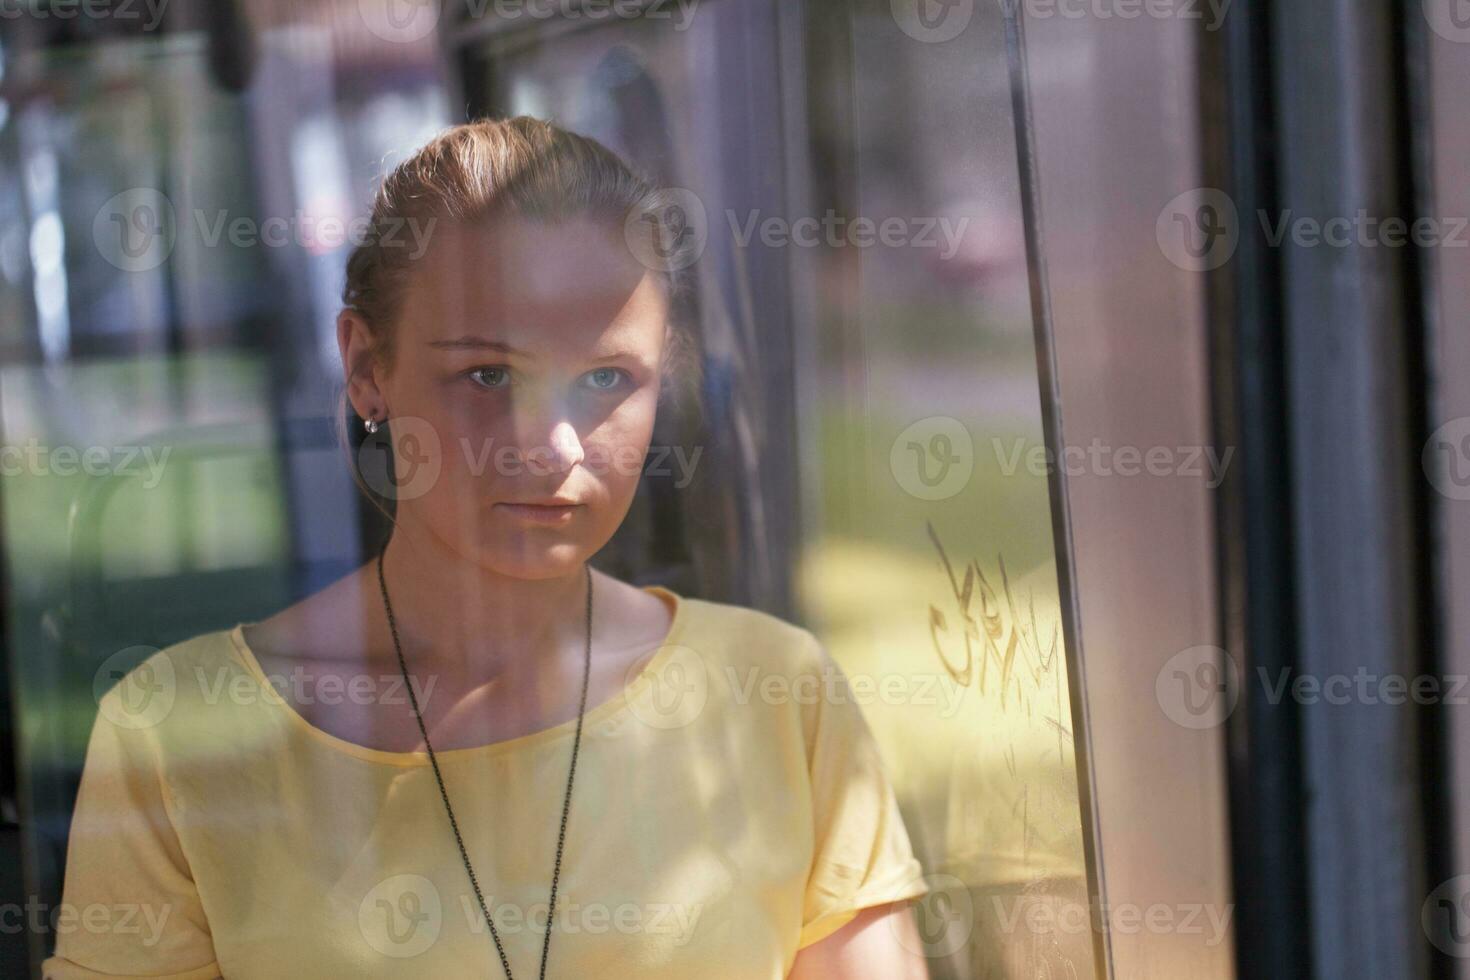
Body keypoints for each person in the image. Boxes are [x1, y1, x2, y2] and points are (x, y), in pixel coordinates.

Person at [43, 116, 931, 979]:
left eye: (605, 380)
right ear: (366, 368)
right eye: (488, 375)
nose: (553, 448)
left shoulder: (781, 698)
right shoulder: (174, 739)